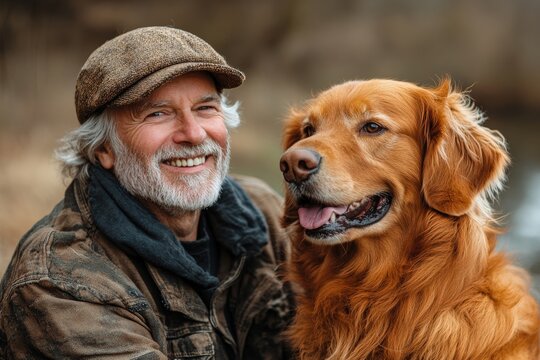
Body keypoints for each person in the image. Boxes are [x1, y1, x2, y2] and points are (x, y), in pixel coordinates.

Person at [0, 26, 294, 359]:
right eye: (158, 114)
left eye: (205, 108)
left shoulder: (265, 211)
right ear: (103, 150)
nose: (194, 134)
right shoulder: (60, 279)